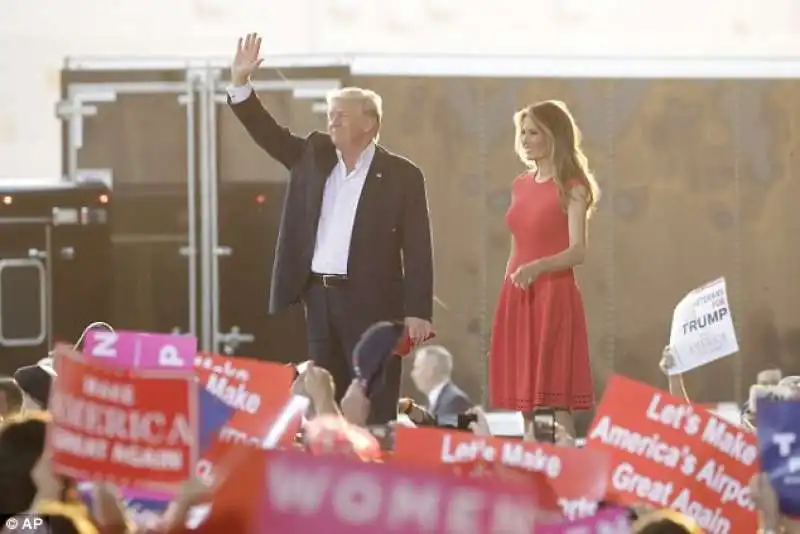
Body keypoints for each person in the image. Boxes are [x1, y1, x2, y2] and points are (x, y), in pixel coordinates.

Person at [227, 33, 434, 424]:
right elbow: (268, 134)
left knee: (375, 399)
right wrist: (241, 84)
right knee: (324, 400)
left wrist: (418, 310)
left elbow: (418, 246)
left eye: (341, 113)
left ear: (369, 124)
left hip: (374, 304)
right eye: (330, 112)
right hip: (319, 299)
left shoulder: (403, 176)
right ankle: (330, 464)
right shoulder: (313, 155)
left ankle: (376, 470)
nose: (331, 119)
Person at [489, 100, 599, 436]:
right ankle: (532, 470)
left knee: (554, 399)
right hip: (519, 295)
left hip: (553, 295)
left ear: (554, 136)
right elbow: (517, 241)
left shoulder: (573, 186)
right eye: (522, 132)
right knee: (526, 401)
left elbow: (577, 251)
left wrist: (538, 267)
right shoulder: (521, 184)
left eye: (533, 132)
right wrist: (511, 286)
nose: (524, 139)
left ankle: (563, 470)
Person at [410, 345, 472, 416]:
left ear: (430, 371)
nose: (413, 374)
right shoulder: (434, 401)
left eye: (417, 367)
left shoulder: (454, 401)